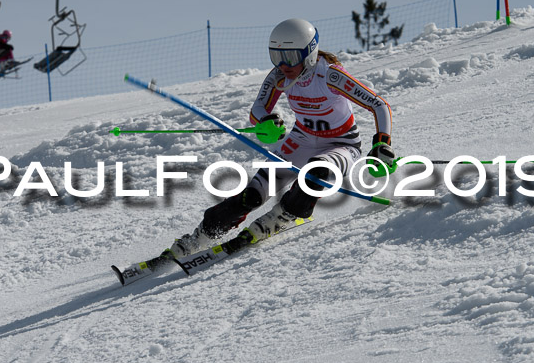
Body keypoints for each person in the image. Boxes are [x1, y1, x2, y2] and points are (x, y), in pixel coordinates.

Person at [166, 18, 395, 258]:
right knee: (252, 194)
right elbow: (257, 109)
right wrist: (265, 121)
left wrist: (382, 143)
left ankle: (284, 214)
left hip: (341, 144)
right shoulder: (279, 77)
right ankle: (201, 235)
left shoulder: (330, 76)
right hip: (302, 139)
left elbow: (379, 104)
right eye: (277, 56)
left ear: (309, 53)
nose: (283, 64)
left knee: (316, 172)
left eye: (290, 56)